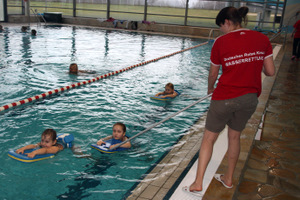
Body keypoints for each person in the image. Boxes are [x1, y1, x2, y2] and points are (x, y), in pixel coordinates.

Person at [183, 6, 275, 196]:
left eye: (220, 26)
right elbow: (270, 71)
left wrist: (210, 88)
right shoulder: (263, 39)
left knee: (209, 138)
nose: (221, 30)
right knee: (234, 137)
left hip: (224, 97)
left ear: (226, 22)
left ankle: (198, 182)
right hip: (249, 98)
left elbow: (213, 73)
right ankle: (228, 179)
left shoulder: (220, 42)